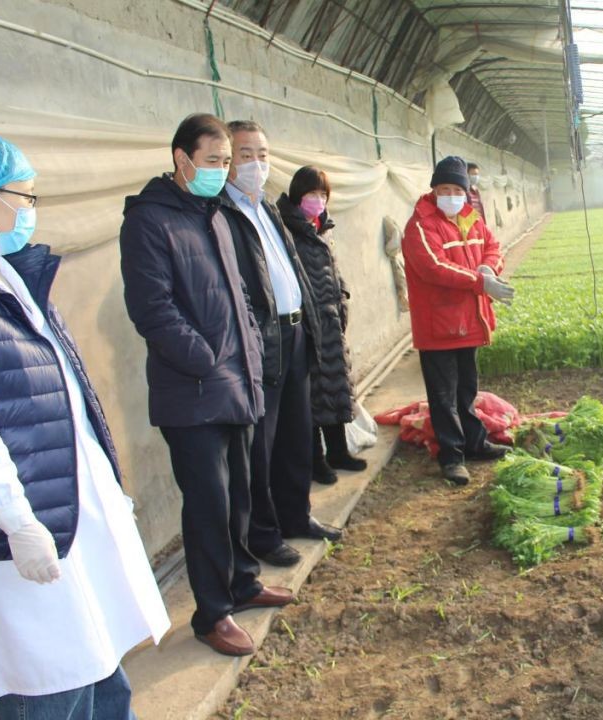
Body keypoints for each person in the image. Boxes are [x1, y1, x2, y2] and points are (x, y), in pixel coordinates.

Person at [0, 132, 170, 716]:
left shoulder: (7, 276)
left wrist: (104, 485)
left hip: (67, 515)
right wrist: (16, 520)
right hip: (23, 532)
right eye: (23, 196)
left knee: (101, 669)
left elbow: (68, 396)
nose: (30, 210)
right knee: (52, 686)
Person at [120, 113, 294, 657]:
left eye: (226, 161)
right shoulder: (149, 221)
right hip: (193, 392)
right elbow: (152, 309)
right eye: (214, 161)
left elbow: (238, 293)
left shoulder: (213, 214)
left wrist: (249, 351)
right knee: (208, 505)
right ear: (182, 159)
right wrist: (205, 357)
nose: (223, 170)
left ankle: (242, 582)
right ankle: (212, 614)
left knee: (241, 493)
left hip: (236, 381)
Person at [218, 120, 341, 570]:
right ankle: (264, 535)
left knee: (296, 434)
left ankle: (296, 515)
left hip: (294, 334)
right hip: (263, 340)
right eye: (246, 155)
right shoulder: (223, 215)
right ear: (227, 161)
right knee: (261, 447)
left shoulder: (267, 208)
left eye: (263, 154)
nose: (257, 164)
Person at [402, 156, 515, 485]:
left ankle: (475, 444)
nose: (451, 195)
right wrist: (480, 282)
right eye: (444, 189)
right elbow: (433, 267)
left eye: (457, 190)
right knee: (443, 396)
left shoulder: (471, 218)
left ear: (466, 192)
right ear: (434, 190)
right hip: (438, 325)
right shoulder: (420, 225)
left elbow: (492, 245)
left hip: (469, 320)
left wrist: (489, 267)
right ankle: (451, 456)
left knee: (467, 389)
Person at [276, 165, 367, 486]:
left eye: (322, 194)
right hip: (308, 324)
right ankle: (316, 460)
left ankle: (338, 452)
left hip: (330, 322)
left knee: (335, 389)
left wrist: (342, 297)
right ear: (297, 195)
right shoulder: (287, 230)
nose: (318, 200)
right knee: (313, 396)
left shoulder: (321, 228)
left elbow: (333, 268)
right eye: (312, 193)